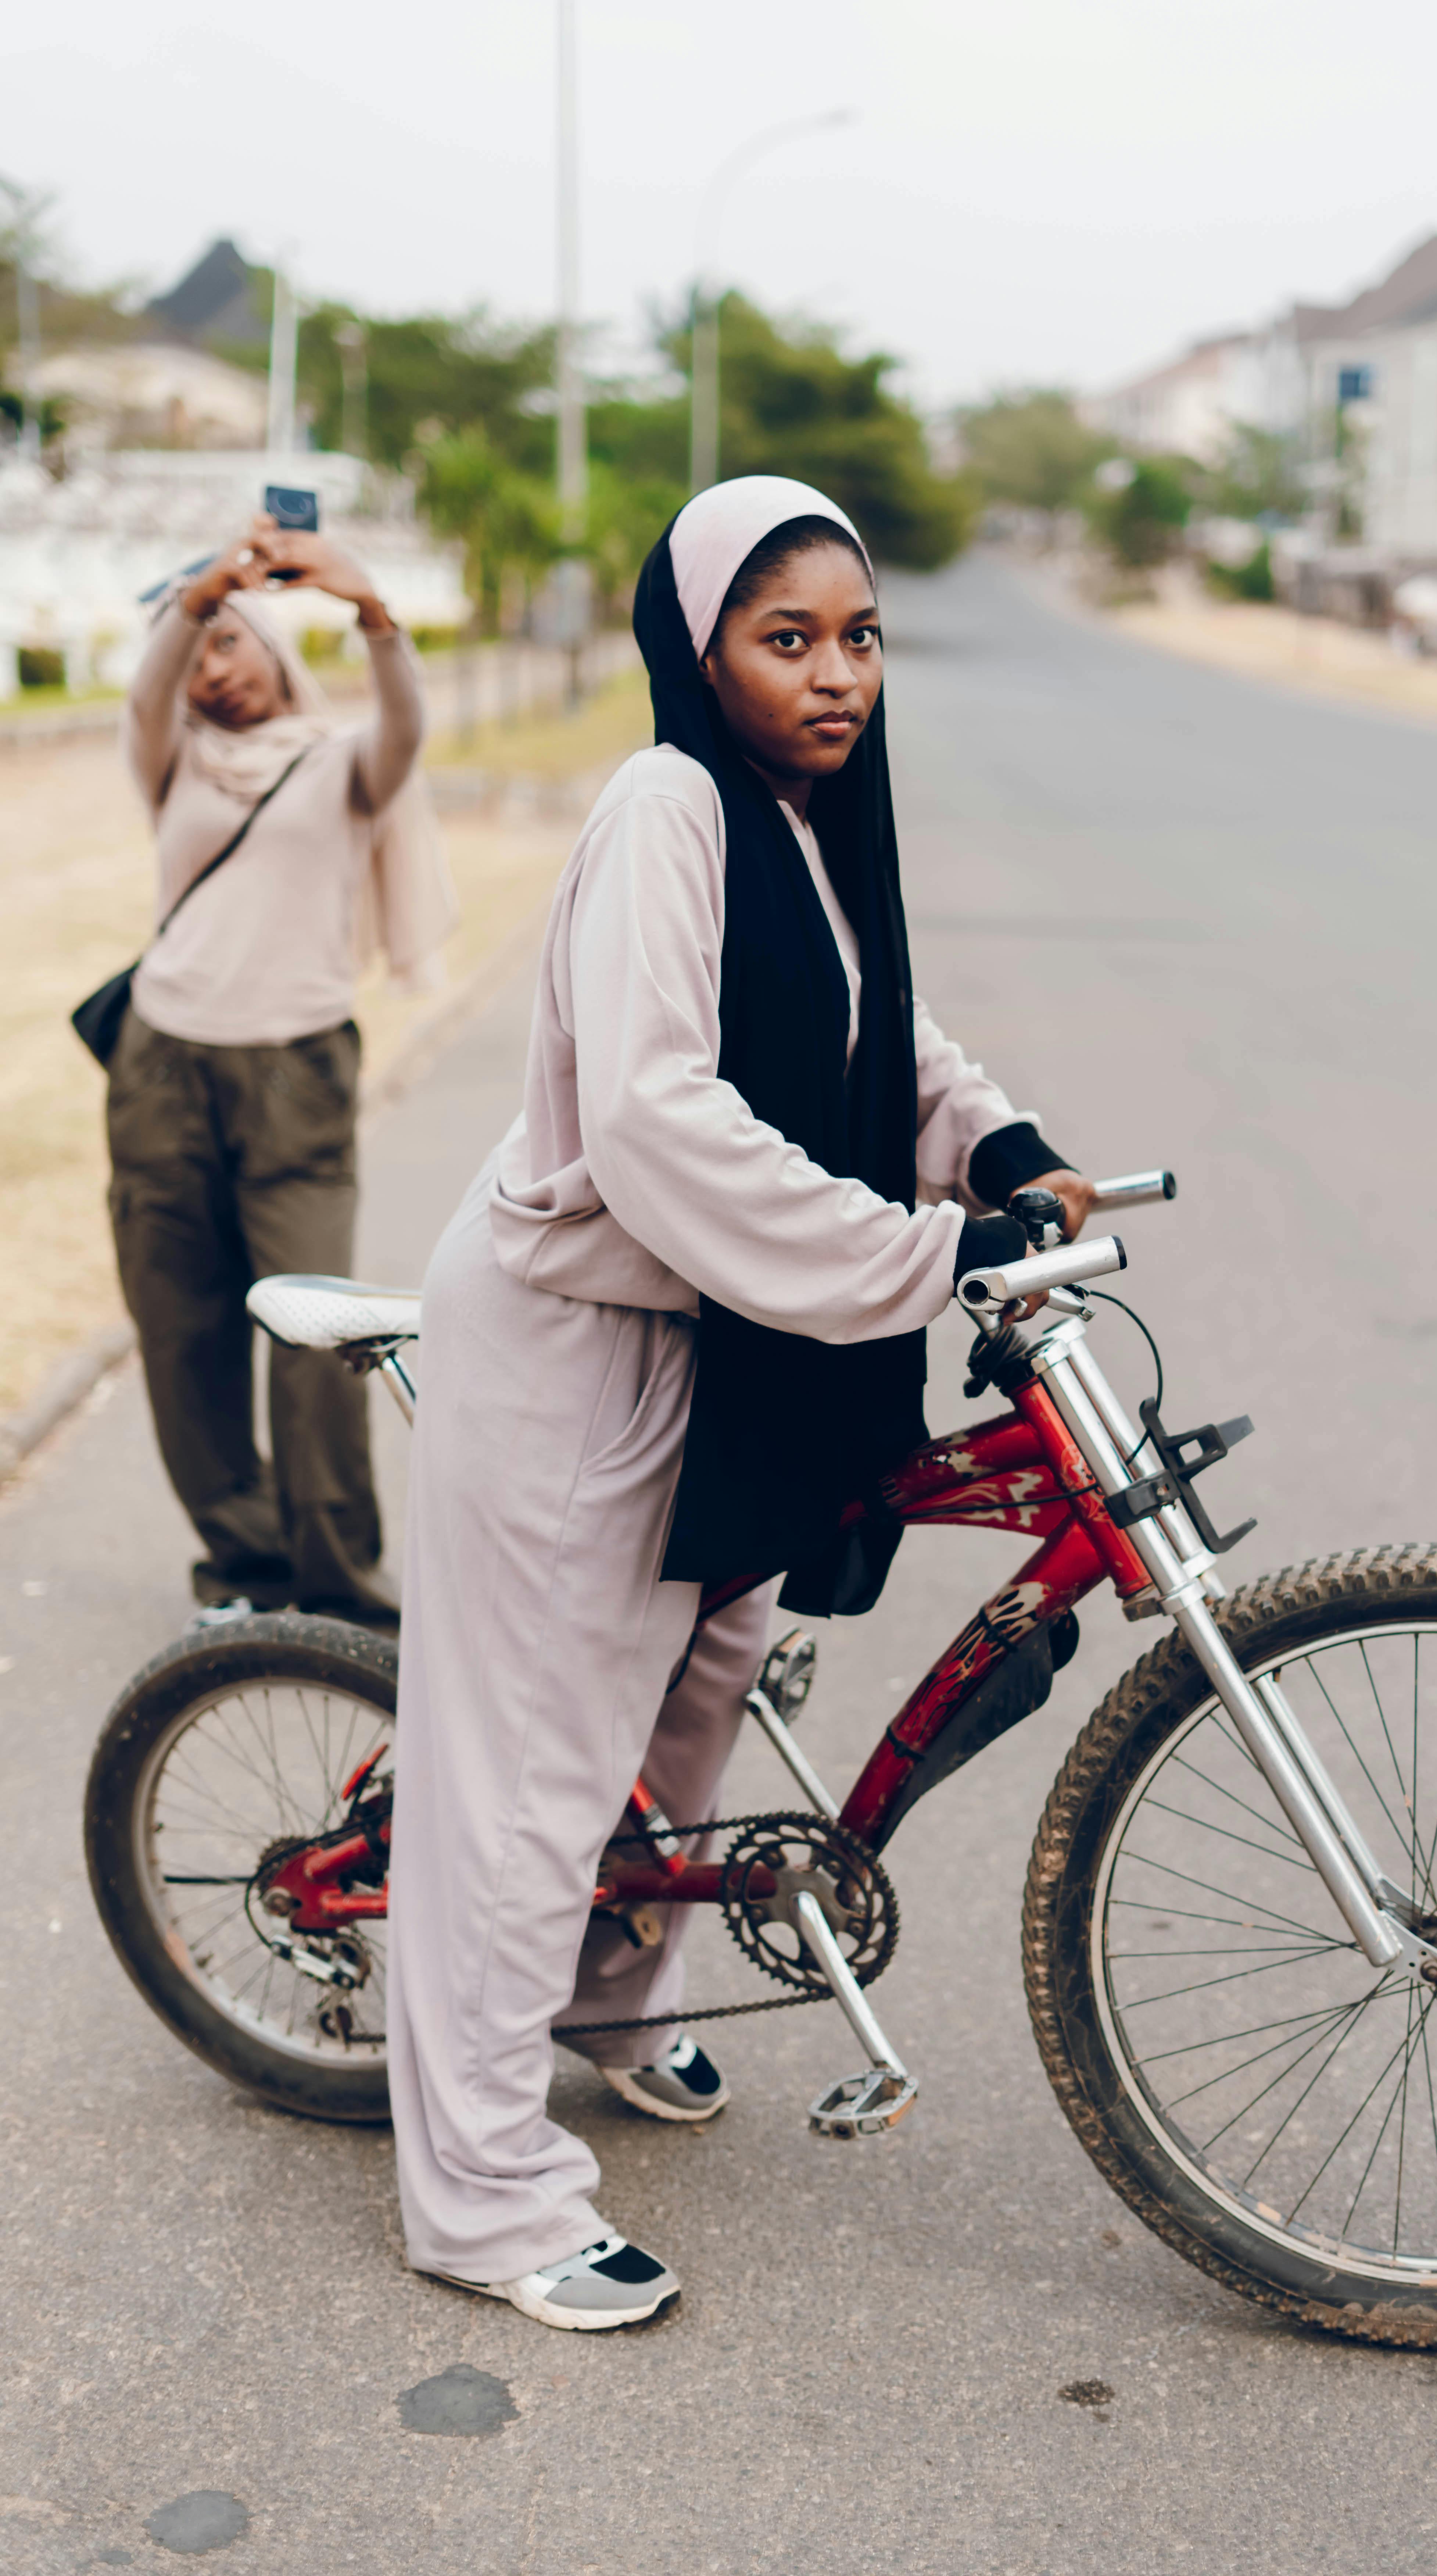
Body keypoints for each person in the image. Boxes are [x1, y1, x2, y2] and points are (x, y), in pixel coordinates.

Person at [386, 475, 1094, 2330]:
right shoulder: (665, 804)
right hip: (578, 1343)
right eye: (786, 640)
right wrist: (913, 1256)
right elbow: (656, 1114)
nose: (837, 675)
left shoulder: (804, 826)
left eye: (859, 638)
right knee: (532, 1778)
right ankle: (478, 2193)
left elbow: (878, 1027)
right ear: (697, 653)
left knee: (705, 1677)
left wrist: (995, 1141)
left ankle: (620, 1992)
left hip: (726, 1349)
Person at [110, 516, 454, 1624]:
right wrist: (196, 597)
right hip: (162, 1067)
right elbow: (144, 695)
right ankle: (243, 1563)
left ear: (274, 648)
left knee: (316, 1339)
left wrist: (371, 610)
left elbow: (408, 721)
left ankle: (341, 1581)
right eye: (200, 650)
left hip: (297, 1072)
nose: (214, 671)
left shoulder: (341, 760)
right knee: (184, 1330)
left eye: (232, 642)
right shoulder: (174, 758)